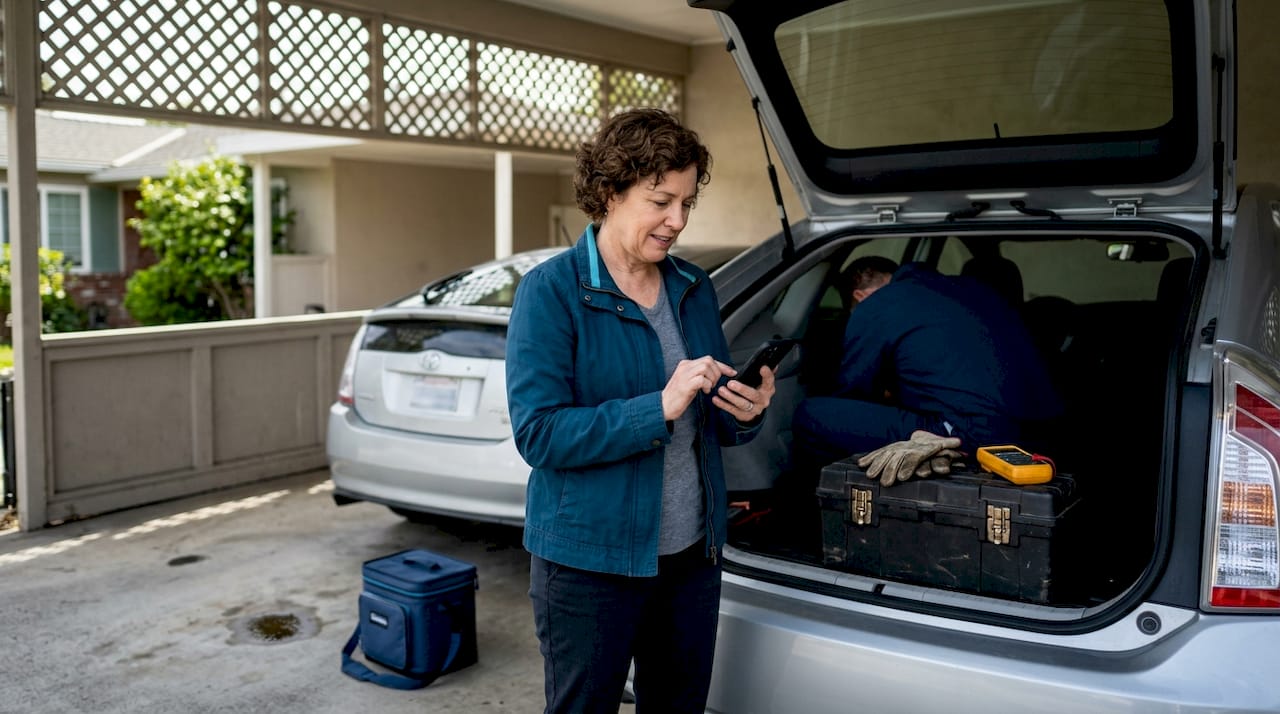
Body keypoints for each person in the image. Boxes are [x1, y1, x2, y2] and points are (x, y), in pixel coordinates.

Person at [505, 108, 775, 714]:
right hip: (588, 564)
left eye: (686, 203)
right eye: (660, 202)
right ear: (610, 193)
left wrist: (746, 409)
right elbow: (539, 434)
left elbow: (713, 418)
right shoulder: (551, 292)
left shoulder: (693, 286)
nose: (677, 220)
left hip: (691, 558)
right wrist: (657, 408)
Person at [791, 255, 1063, 482]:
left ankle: (839, 502)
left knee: (811, 416)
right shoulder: (973, 289)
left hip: (977, 436)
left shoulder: (875, 306)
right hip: (1046, 433)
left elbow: (854, 392)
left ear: (860, 296)